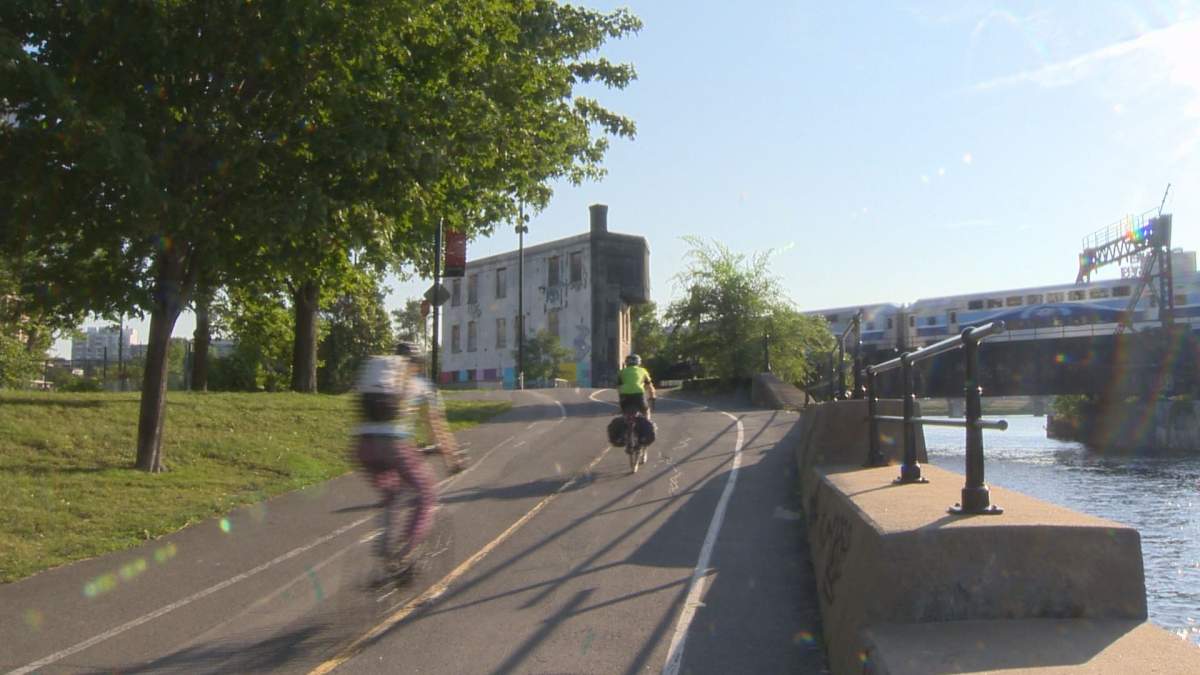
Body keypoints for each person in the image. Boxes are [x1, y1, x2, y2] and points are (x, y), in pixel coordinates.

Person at [352, 343, 464, 584]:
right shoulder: (422, 385)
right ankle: (405, 555)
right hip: (395, 446)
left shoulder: (379, 377)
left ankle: (384, 548)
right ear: (418, 364)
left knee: (392, 492)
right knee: (426, 493)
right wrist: (452, 458)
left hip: (362, 446)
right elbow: (437, 426)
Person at [617, 353, 656, 420]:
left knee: (623, 412)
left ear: (626, 363)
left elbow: (619, 387)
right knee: (646, 411)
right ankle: (648, 425)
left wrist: (621, 400)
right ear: (639, 362)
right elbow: (650, 386)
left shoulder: (621, 372)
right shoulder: (643, 371)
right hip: (638, 394)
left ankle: (624, 424)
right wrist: (652, 397)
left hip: (625, 394)